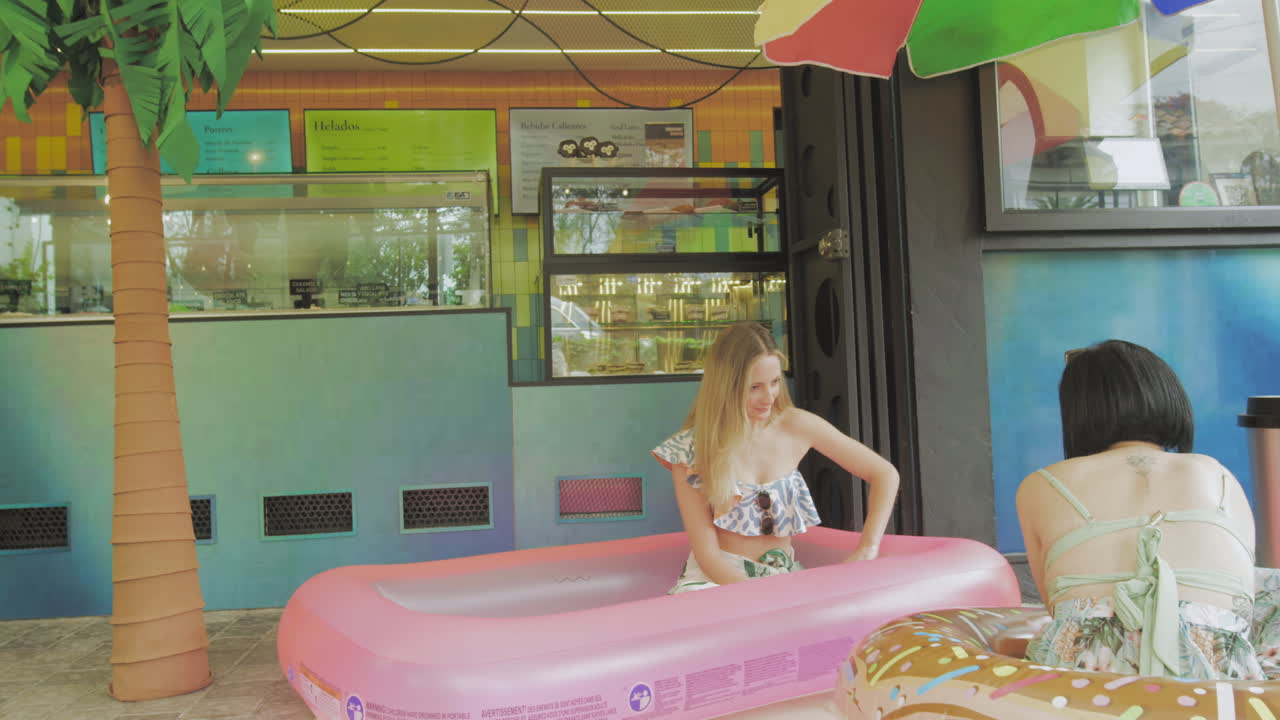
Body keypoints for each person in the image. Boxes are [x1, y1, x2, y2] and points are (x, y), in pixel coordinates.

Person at [1017, 339, 1264, 679]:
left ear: (1078, 411)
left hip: (1088, 670)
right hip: (1218, 667)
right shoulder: (1219, 477)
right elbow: (1242, 595)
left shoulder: (1043, 483)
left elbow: (1057, 603)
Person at [652, 322, 900, 594]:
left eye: (775, 382)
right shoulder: (691, 449)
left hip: (782, 576)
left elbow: (885, 474)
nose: (768, 397)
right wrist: (763, 597)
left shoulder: (797, 425)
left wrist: (868, 548)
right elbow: (708, 556)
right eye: (754, 387)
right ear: (725, 386)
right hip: (718, 581)